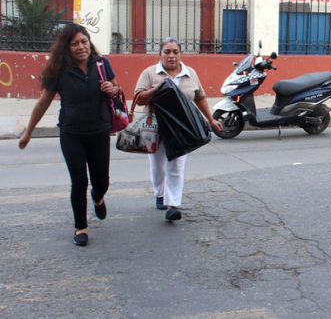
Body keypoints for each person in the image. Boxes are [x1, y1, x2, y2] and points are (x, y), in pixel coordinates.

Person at [18, 24, 120, 246]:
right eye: (75, 43)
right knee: (79, 181)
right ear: (67, 47)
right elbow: (43, 102)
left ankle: (98, 197)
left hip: (100, 131)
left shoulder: (101, 64)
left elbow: (117, 88)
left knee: (101, 180)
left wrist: (113, 90)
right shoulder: (59, 72)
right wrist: (28, 131)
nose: (81, 47)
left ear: (89, 42)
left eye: (84, 41)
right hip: (71, 134)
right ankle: (80, 227)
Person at [133, 38, 223, 221]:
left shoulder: (190, 74)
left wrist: (211, 119)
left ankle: (172, 204)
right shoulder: (150, 73)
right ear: (160, 54)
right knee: (158, 166)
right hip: (156, 126)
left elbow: (200, 97)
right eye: (167, 52)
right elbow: (139, 98)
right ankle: (160, 193)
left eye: (175, 52)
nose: (171, 56)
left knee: (176, 166)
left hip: (183, 127)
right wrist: (156, 89)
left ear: (180, 54)